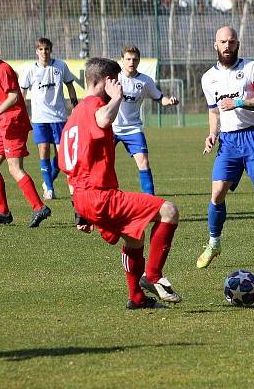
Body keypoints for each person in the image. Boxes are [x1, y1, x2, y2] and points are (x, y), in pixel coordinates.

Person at [58, 57, 181, 310]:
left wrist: (79, 213)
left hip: (83, 198)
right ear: (105, 82)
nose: (119, 86)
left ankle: (136, 298)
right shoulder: (94, 106)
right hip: (100, 196)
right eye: (115, 82)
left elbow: (68, 167)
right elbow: (103, 120)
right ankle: (153, 275)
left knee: (134, 239)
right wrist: (117, 98)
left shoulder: (73, 117)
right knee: (169, 211)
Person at [198, 26, 254, 269]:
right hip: (228, 141)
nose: (227, 46)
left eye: (231, 42)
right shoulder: (208, 78)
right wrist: (212, 134)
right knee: (217, 194)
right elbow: (214, 111)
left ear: (238, 44)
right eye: (222, 42)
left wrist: (239, 102)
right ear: (215, 44)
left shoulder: (251, 68)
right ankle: (214, 243)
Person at [0, 35, 52, 228]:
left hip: (15, 124)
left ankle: (39, 207)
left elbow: (13, 97)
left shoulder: (3, 69)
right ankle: (3, 212)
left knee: (14, 168)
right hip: (5, 125)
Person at [113, 45, 179, 194]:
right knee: (103, 164)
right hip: (112, 128)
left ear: (139, 61)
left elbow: (160, 97)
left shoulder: (145, 81)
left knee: (144, 162)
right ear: (122, 60)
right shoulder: (114, 78)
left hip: (133, 128)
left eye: (134, 59)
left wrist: (169, 101)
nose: (131, 62)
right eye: (128, 59)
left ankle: (151, 200)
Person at [19, 37, 79, 200]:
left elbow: (70, 86)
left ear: (50, 50)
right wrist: (21, 113)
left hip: (59, 118)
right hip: (40, 119)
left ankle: (50, 181)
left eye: (46, 49)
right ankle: (50, 189)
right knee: (43, 152)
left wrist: (75, 106)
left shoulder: (60, 66)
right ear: (36, 51)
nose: (43, 52)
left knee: (62, 157)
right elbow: (22, 94)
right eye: (40, 49)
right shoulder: (30, 70)